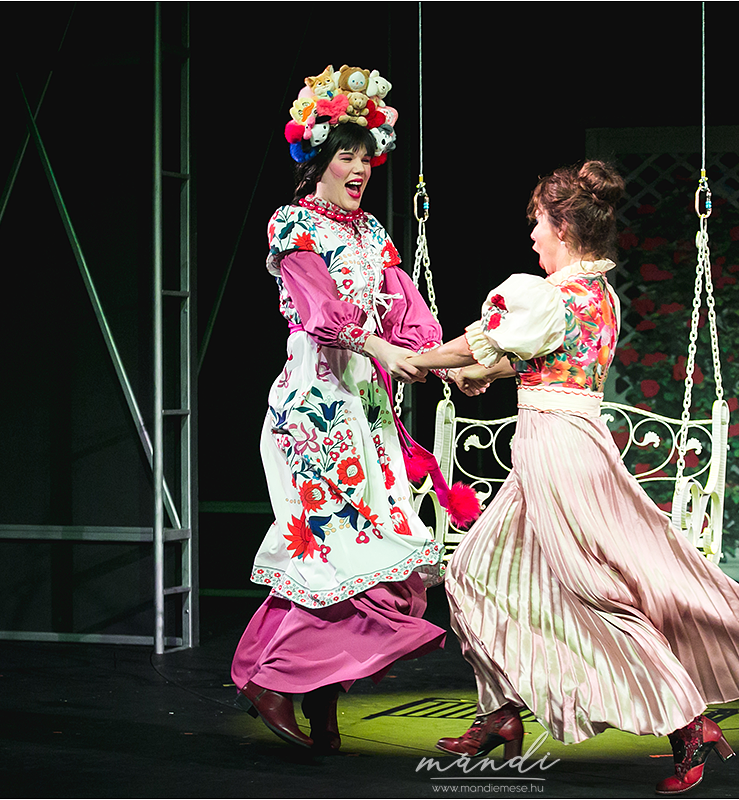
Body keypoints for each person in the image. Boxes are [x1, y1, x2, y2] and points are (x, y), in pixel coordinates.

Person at [408, 161, 739, 793]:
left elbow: (479, 344)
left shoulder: (548, 296)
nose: (533, 235)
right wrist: (480, 372)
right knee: (470, 570)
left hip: (559, 448)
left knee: (593, 589)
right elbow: (534, 359)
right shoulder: (597, 295)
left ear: (564, 227)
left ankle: (688, 723)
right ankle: (500, 712)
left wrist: (415, 359)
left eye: (538, 223)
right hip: (557, 441)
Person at [230, 65, 450, 755]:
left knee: (375, 556)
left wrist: (447, 364)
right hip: (316, 406)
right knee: (335, 550)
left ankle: (322, 697)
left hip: (367, 407)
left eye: (365, 155)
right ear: (317, 159)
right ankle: (274, 678)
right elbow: (322, 312)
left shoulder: (373, 231)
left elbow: (407, 312)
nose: (358, 168)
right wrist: (385, 350)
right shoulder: (293, 224)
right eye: (345, 155)